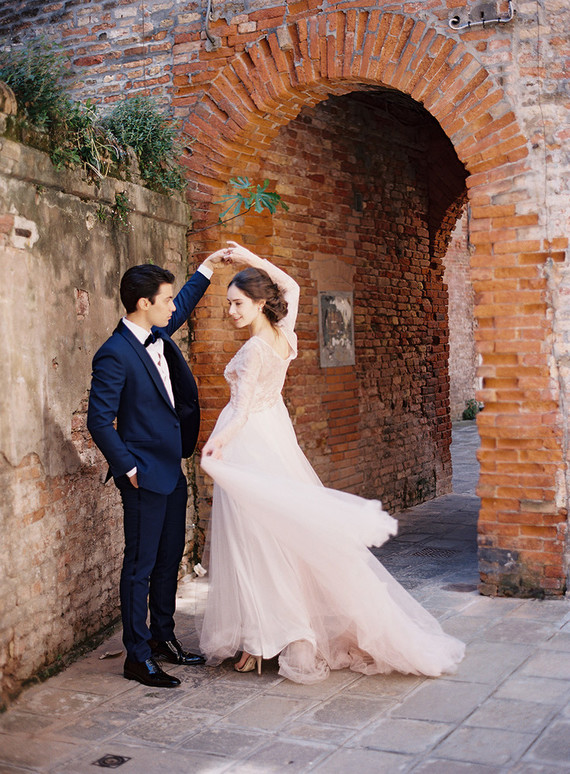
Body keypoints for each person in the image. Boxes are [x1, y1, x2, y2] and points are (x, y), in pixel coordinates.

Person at [199, 241, 465, 684]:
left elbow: (241, 411)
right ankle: (265, 636)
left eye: (238, 303)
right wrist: (249, 258)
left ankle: (265, 639)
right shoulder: (284, 335)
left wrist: (216, 444)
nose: (231, 311)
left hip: (249, 444)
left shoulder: (254, 350)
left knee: (255, 541)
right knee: (278, 535)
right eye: (229, 304)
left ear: (260, 303)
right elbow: (292, 286)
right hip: (275, 437)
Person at [87, 250, 229, 688]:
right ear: (143, 303)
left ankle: (163, 638)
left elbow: (182, 305)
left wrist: (207, 268)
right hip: (143, 475)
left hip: (172, 469)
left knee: (169, 559)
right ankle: (137, 655)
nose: (172, 307)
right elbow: (99, 420)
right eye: (165, 299)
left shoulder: (158, 331)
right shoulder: (114, 354)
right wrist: (128, 467)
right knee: (140, 566)